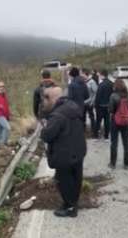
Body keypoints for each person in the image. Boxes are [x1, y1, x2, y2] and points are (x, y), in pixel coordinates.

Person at [41, 87, 86, 217]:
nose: (44, 101)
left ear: (52, 98)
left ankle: (70, 207)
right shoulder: (73, 107)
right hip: (78, 150)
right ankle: (73, 203)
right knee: (76, 178)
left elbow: (47, 136)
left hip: (64, 154)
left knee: (64, 181)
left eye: (45, 98)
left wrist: (44, 128)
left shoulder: (57, 116)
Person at [109, 79, 128, 169]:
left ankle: (113, 164)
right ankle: (126, 164)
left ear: (115, 86)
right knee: (126, 142)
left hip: (115, 122)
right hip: (126, 122)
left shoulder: (113, 96)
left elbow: (111, 110)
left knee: (114, 143)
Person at [94, 69, 113, 140]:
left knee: (98, 121)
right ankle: (106, 136)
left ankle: (96, 136)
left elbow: (98, 96)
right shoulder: (111, 83)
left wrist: (96, 105)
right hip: (108, 106)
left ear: (102, 75)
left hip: (100, 106)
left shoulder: (101, 85)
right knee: (107, 121)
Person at [81, 68, 98, 134]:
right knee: (83, 117)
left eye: (82, 74)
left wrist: (92, 102)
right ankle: (83, 130)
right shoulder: (82, 82)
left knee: (91, 117)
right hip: (83, 103)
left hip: (89, 103)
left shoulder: (92, 82)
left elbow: (95, 93)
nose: (81, 76)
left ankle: (94, 131)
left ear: (86, 74)